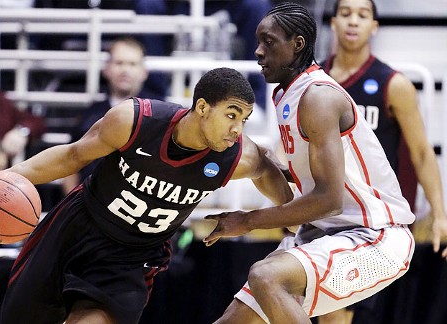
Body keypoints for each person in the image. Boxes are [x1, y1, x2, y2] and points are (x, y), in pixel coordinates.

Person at [0, 67, 294, 324]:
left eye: (245, 119)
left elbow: (267, 172)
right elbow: (72, 156)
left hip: (130, 258)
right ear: (203, 107)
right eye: (232, 115)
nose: (238, 128)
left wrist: (294, 217)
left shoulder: (236, 156)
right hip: (78, 228)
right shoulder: (137, 120)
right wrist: (9, 176)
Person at [202, 3, 421, 323]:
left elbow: (329, 199)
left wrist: (247, 221)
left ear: (298, 44)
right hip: (325, 232)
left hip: (375, 235)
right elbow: (307, 176)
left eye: (269, 41)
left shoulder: (318, 96)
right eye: (258, 42)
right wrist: (261, 163)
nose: (259, 52)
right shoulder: (284, 96)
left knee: (266, 275)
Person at [318, 0, 447, 322]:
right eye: (346, 13)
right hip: (322, 208)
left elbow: (421, 152)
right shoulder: (313, 80)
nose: (353, 21)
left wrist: (440, 216)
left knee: (337, 311)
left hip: (372, 217)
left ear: (374, 26)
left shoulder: (394, 84)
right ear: (333, 22)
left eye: (363, 15)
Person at [64, 36, 162, 192]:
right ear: (107, 69)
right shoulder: (90, 115)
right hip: (91, 204)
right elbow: (72, 160)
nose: (125, 70)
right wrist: (75, 202)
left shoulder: (161, 114)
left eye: (132, 64)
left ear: (144, 72)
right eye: (119, 63)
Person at [133, 0, 272, 110]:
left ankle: (256, 101)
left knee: (256, 5)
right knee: (148, 4)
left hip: (224, 5)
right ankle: (155, 99)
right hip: (177, 4)